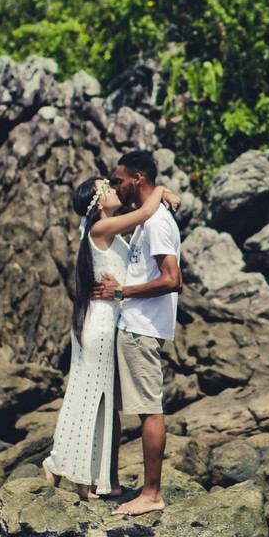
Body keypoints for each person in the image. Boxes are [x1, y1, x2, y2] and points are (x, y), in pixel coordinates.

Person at [41, 175, 178, 499]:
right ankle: (58, 463)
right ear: (98, 201)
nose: (116, 189)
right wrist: (161, 190)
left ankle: (94, 480)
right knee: (88, 398)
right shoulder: (100, 229)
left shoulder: (110, 231)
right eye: (108, 187)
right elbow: (145, 213)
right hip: (99, 325)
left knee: (104, 404)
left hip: (109, 321)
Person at [93, 150, 182, 516]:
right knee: (137, 408)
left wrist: (122, 292)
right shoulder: (147, 219)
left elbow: (172, 280)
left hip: (141, 328)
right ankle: (112, 483)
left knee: (148, 410)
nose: (117, 185)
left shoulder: (157, 222)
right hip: (133, 325)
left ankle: (151, 494)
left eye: (120, 180)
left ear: (138, 178)